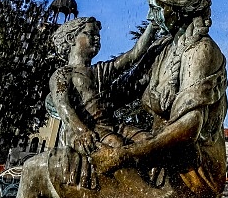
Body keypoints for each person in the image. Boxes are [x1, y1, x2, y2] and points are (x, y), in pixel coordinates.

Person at [12, 0, 228, 198]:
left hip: (185, 179)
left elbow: (189, 126)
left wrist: (126, 156)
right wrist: (64, 107)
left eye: (156, 8)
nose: (150, 15)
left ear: (178, 8)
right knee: (76, 177)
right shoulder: (163, 50)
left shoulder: (201, 51)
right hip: (155, 160)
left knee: (34, 172)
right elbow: (115, 95)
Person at [46, 16, 156, 155]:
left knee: (148, 140)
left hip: (111, 126)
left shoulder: (100, 69)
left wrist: (153, 25)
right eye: (91, 34)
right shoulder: (63, 74)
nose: (97, 39)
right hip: (84, 129)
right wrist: (82, 130)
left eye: (98, 36)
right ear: (70, 38)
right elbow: (63, 105)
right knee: (117, 144)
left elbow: (133, 55)